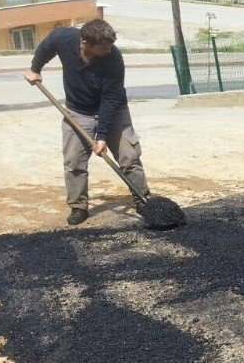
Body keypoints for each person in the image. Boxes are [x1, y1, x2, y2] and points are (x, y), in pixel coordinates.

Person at [24, 19, 150, 225]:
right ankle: (78, 206)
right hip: (78, 111)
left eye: (111, 45)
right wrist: (35, 69)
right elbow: (47, 47)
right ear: (85, 43)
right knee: (74, 162)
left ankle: (143, 200)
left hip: (114, 110)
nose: (110, 50)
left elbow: (110, 99)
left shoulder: (114, 58)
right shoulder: (63, 37)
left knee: (129, 157)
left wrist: (101, 137)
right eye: (105, 47)